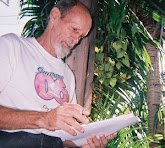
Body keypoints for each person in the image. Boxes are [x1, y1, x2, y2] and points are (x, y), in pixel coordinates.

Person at [0, 0, 117, 147]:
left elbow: (66, 138)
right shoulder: (11, 46)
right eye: (74, 29)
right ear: (55, 16)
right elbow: (47, 122)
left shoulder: (67, 74)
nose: (76, 40)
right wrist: (43, 119)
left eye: (81, 36)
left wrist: (86, 143)